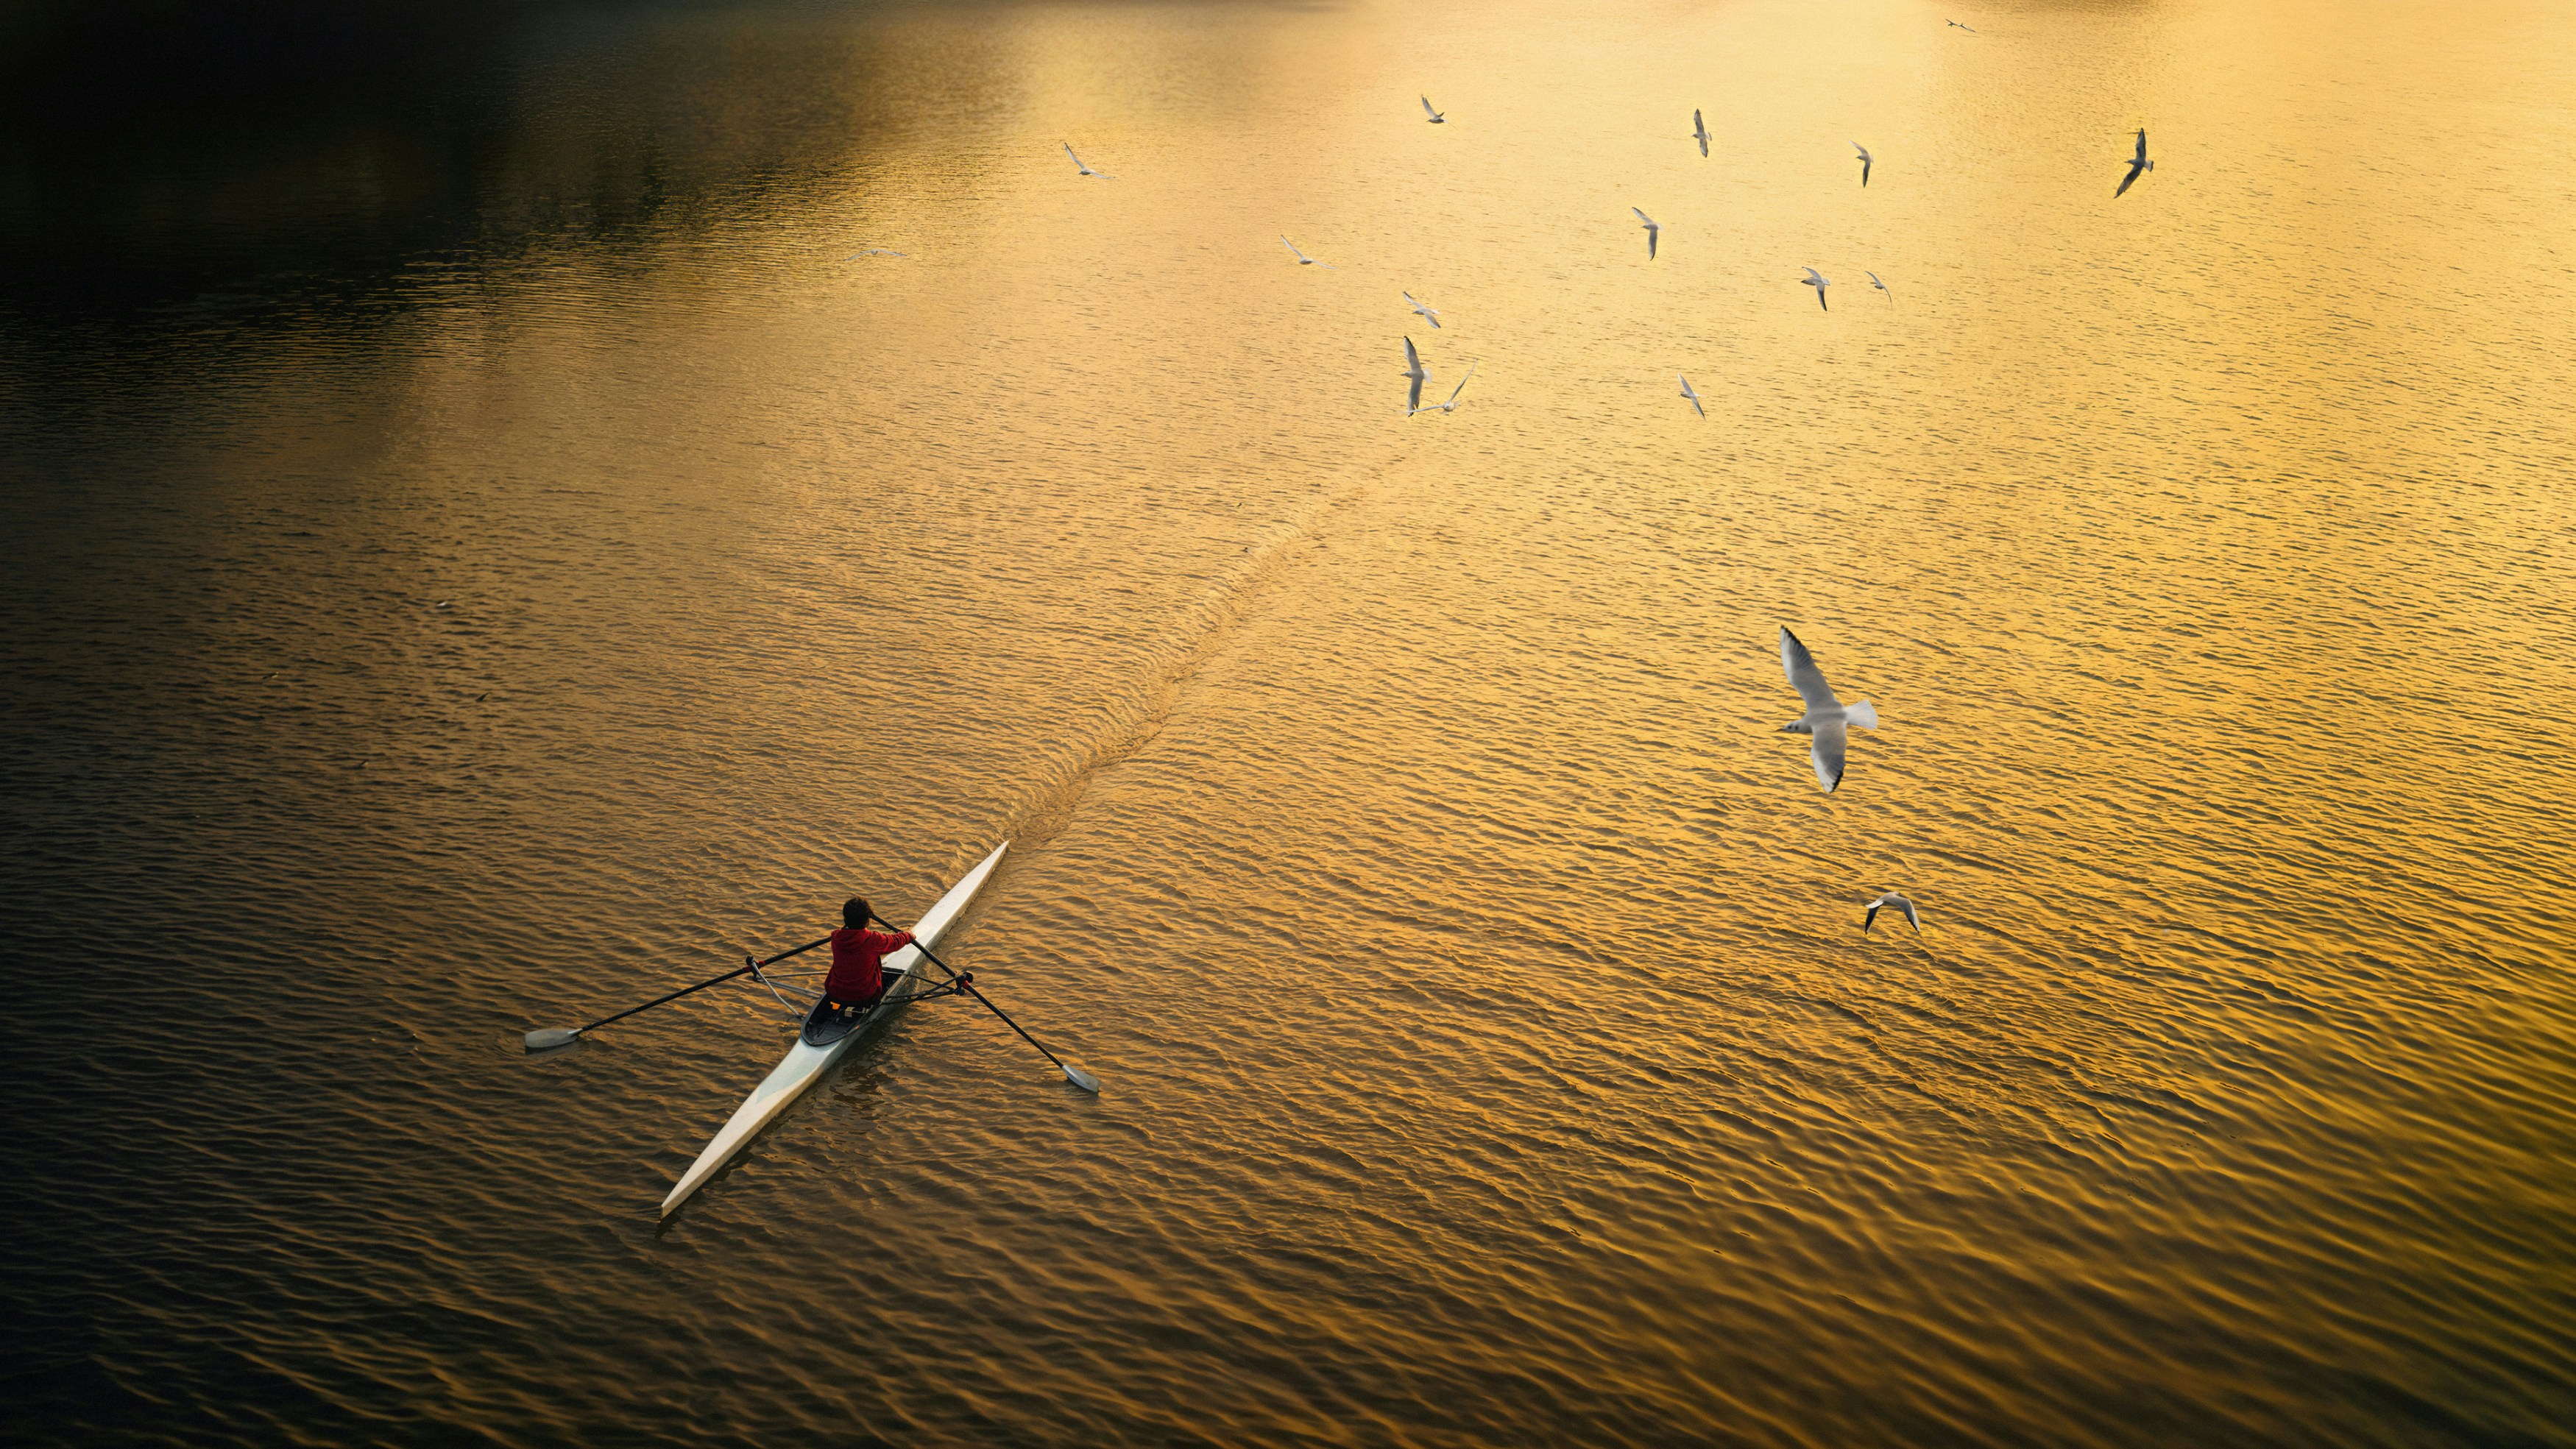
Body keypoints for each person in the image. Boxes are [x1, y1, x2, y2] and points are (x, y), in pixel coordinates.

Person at [824, 898, 913, 1012]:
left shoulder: (836, 937)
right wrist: (908, 935)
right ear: (867, 920)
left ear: (845, 918)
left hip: (834, 993)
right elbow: (895, 942)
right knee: (886, 979)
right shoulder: (874, 940)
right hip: (865, 996)